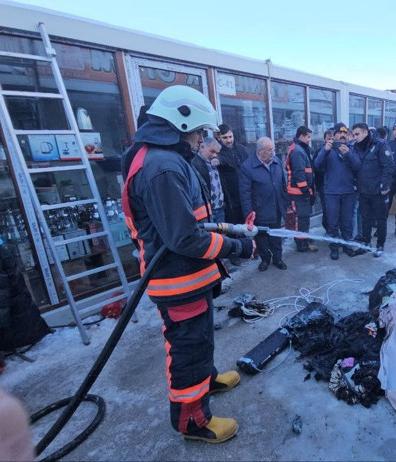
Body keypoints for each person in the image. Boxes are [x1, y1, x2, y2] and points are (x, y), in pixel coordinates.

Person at [122, 86, 255, 443]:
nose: (201, 139)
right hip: (176, 280)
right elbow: (185, 238)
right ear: (181, 124)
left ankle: (206, 380)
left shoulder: (164, 156)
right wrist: (238, 248)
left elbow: (191, 221)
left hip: (188, 275)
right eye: (199, 132)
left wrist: (232, 229)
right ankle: (193, 421)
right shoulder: (162, 167)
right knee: (188, 347)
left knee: (200, 338)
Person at [314, 122, 362, 260]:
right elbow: (316, 165)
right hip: (331, 193)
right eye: (339, 133)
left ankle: (347, 246)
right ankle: (334, 248)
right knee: (333, 223)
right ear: (333, 135)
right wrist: (325, 150)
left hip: (348, 192)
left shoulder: (352, 149)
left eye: (344, 133)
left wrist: (348, 155)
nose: (342, 135)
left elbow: (358, 166)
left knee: (347, 222)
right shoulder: (327, 149)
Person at [240, 137, 288, 271]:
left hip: (276, 208)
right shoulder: (247, 167)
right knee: (262, 238)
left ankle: (278, 258)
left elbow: (283, 185)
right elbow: (245, 194)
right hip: (259, 211)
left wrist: (285, 203)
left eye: (273, 149)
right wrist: (249, 216)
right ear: (260, 151)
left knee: (276, 236)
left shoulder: (276, 162)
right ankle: (265, 259)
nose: (273, 152)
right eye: (269, 150)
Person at [352, 123, 394, 257]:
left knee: (380, 220)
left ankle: (380, 245)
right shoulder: (356, 147)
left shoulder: (380, 145)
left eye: (357, 134)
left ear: (365, 132)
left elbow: (389, 166)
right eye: (353, 135)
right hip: (363, 190)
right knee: (365, 219)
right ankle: (366, 243)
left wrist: (385, 186)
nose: (355, 137)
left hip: (378, 191)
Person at [286, 126, 318, 252]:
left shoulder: (300, 149)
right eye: (308, 137)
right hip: (298, 193)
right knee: (301, 219)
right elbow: (299, 174)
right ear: (301, 136)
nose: (309, 140)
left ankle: (304, 238)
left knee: (304, 218)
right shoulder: (298, 151)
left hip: (301, 192)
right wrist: (306, 191)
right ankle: (302, 244)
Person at [216, 124, 249, 225]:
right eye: (225, 137)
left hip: (244, 194)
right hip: (229, 198)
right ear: (218, 137)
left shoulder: (241, 149)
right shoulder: (217, 152)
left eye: (230, 137)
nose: (229, 140)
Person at [190, 136, 225, 223]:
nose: (214, 155)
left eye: (217, 153)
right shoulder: (194, 163)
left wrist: (219, 159)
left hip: (219, 209)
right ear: (202, 147)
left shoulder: (215, 161)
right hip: (206, 211)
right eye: (212, 151)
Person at [315, 129, 333, 231]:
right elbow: (316, 168)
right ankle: (328, 228)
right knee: (326, 209)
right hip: (323, 185)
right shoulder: (320, 151)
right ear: (325, 140)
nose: (330, 141)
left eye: (332, 139)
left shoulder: (338, 150)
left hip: (334, 186)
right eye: (328, 139)